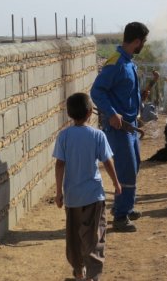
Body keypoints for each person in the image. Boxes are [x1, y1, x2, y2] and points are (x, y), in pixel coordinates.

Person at [53, 92, 121, 281]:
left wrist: (59, 192)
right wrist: (116, 183)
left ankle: (78, 272)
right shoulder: (97, 135)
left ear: (69, 113)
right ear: (91, 112)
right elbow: (107, 161)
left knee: (74, 236)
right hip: (93, 197)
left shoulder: (64, 136)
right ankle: (92, 275)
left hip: (72, 198)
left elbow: (59, 164)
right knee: (94, 236)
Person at [91, 21, 149, 232]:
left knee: (133, 166)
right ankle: (121, 216)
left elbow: (123, 91)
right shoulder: (115, 63)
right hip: (119, 127)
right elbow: (97, 91)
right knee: (126, 170)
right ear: (136, 41)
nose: (143, 45)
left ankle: (125, 206)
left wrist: (139, 100)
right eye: (143, 41)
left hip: (131, 126)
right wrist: (111, 112)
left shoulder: (128, 62)